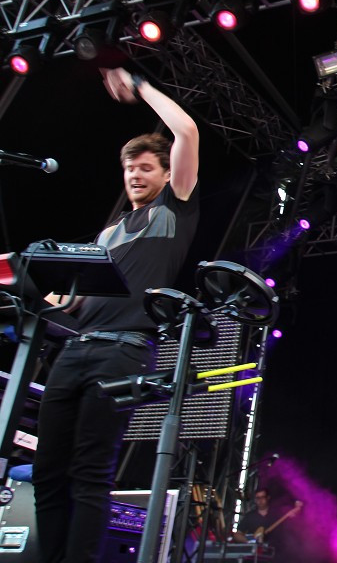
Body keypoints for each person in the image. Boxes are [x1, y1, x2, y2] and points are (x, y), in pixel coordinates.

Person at [34, 67, 200, 563]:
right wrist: (36, 288)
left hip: (123, 353)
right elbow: (76, 306)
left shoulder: (176, 209)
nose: (135, 175)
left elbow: (186, 131)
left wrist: (141, 84)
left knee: (89, 471)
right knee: (46, 471)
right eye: (129, 168)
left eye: (146, 167)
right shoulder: (107, 236)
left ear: (167, 173)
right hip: (74, 353)